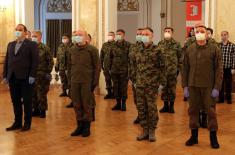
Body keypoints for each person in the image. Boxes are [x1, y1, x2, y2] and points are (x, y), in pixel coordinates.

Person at [182, 24, 222, 149]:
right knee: (193, 111)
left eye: (202, 31)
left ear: (206, 33)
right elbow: (185, 68)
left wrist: (216, 87)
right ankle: (194, 137)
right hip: (193, 86)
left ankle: (213, 137)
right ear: (194, 33)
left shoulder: (215, 49)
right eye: (197, 31)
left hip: (208, 86)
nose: (199, 33)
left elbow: (219, 70)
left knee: (211, 112)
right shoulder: (190, 49)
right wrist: (185, 86)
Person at [2, 24, 39, 131]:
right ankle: (17, 122)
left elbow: (35, 62)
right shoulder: (11, 44)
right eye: (16, 30)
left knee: (27, 101)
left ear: (26, 32)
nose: (17, 31)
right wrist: (5, 76)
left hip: (26, 78)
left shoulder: (32, 45)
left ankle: (27, 123)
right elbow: (7, 61)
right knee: (15, 101)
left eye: (20, 30)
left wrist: (32, 75)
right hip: (13, 77)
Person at [135, 27, 166, 142]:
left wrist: (162, 84)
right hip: (139, 84)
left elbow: (163, 68)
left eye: (147, 34)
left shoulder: (158, 50)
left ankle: (152, 130)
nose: (144, 36)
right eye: (142, 34)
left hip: (152, 85)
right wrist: (134, 80)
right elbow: (134, 66)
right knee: (141, 108)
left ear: (152, 36)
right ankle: (144, 130)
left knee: (151, 108)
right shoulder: (138, 50)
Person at [68, 29, 100, 137]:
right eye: (76, 35)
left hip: (87, 82)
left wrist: (94, 83)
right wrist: (69, 82)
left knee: (87, 105)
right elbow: (69, 67)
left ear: (86, 37)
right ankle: (79, 126)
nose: (77, 37)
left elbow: (97, 67)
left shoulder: (92, 50)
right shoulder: (72, 49)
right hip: (74, 81)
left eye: (80, 35)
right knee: (77, 104)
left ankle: (87, 127)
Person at [158, 27, 182, 113]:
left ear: (172, 33)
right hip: (163, 71)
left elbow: (180, 57)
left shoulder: (177, 44)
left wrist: (178, 69)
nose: (167, 32)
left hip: (173, 71)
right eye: (165, 31)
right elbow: (157, 58)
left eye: (169, 31)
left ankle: (171, 106)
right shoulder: (160, 44)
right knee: (164, 89)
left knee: (172, 89)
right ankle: (165, 106)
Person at [31, 30, 54, 118]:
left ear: (40, 37)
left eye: (35, 36)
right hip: (32, 75)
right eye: (32, 36)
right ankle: (35, 109)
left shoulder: (45, 48)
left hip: (42, 75)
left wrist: (46, 72)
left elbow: (50, 62)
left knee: (41, 94)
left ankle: (42, 110)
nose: (33, 38)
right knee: (33, 94)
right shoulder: (29, 48)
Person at [109, 29, 131, 111]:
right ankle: (118, 104)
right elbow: (110, 57)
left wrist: (130, 70)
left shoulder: (128, 45)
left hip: (124, 70)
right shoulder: (113, 45)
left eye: (120, 34)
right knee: (116, 87)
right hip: (114, 70)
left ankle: (123, 104)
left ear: (123, 35)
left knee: (123, 88)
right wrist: (110, 68)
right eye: (117, 34)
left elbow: (130, 59)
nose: (118, 35)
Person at [129, 28, 143, 124]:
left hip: (145, 78)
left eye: (140, 34)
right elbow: (129, 62)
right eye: (137, 34)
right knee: (136, 99)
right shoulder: (133, 47)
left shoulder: (150, 47)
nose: (138, 35)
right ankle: (140, 115)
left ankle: (146, 118)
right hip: (135, 77)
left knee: (145, 100)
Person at [218, 31, 235, 104]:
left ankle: (229, 99)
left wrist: (233, 68)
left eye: (225, 35)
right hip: (220, 68)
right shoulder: (218, 46)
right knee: (220, 84)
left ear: (228, 36)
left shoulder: (232, 45)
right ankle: (221, 99)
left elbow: (234, 57)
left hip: (229, 68)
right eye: (222, 35)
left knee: (228, 84)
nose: (223, 36)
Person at [100, 32, 116, 99]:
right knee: (107, 79)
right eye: (109, 35)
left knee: (114, 80)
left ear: (114, 36)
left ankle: (115, 94)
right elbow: (101, 55)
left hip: (114, 66)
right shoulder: (105, 45)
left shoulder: (116, 44)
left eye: (111, 35)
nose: (110, 36)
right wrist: (101, 64)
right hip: (106, 65)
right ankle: (109, 93)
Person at [65, 31, 77, 108]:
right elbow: (68, 59)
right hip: (71, 71)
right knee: (71, 87)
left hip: (80, 71)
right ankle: (73, 101)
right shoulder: (70, 47)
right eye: (73, 36)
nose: (74, 37)